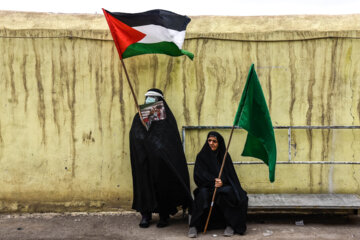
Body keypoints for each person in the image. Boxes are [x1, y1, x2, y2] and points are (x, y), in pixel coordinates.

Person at [129, 88, 193, 228]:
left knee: (163, 187)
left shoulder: (166, 119)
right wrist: (143, 135)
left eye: (152, 98)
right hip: (144, 161)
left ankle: (164, 216)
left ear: (160, 101)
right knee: (144, 187)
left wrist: (157, 148)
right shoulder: (138, 117)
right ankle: (146, 215)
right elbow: (135, 137)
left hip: (160, 162)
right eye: (148, 98)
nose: (149, 101)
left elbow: (168, 141)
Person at [188, 131, 248, 238]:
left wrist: (222, 181)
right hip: (207, 186)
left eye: (214, 141)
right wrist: (212, 181)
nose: (211, 143)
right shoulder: (201, 156)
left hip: (222, 187)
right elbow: (198, 175)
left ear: (219, 143)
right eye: (209, 141)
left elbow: (230, 175)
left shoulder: (224, 156)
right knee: (202, 194)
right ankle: (194, 226)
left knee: (229, 193)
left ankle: (230, 224)